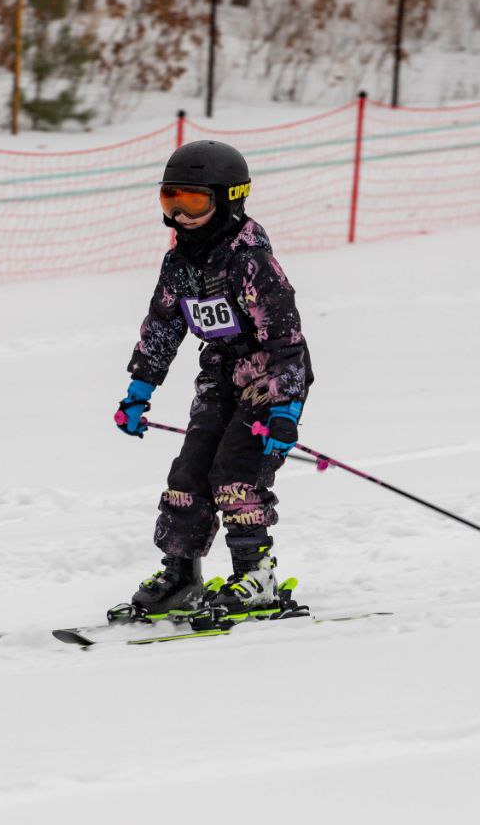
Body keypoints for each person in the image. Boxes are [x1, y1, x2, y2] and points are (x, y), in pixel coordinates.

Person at [114, 140, 313, 616]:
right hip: (219, 373)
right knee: (189, 473)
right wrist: (138, 391)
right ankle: (181, 573)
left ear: (229, 199)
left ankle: (256, 574)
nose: (179, 214)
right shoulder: (179, 262)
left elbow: (286, 340)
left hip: (269, 377)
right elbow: (162, 326)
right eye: (170, 200)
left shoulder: (250, 262)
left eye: (194, 202)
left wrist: (285, 409)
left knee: (235, 472)